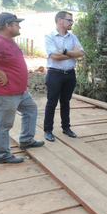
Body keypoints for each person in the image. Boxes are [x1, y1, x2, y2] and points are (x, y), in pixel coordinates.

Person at [0, 12, 45, 164]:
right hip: (5, 93)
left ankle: (26, 140)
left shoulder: (8, 40)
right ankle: (2, 155)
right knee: (4, 124)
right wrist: (0, 73)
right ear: (8, 26)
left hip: (19, 91)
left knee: (31, 109)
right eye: (16, 24)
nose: (19, 26)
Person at [43, 11, 84, 142]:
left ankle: (66, 127)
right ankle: (48, 130)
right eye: (69, 20)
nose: (71, 23)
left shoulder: (72, 37)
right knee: (52, 103)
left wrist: (65, 51)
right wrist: (73, 53)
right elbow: (54, 56)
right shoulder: (50, 36)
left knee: (65, 102)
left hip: (70, 74)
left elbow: (81, 53)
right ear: (60, 20)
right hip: (55, 74)